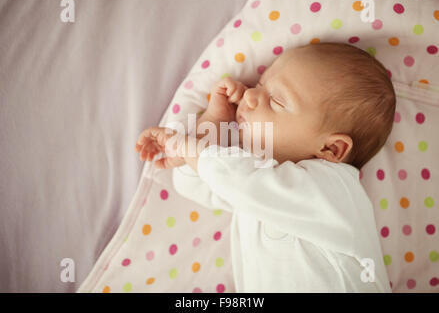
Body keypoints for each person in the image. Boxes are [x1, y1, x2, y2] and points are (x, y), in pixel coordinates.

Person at [134, 42, 396, 292]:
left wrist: (185, 146)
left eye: (277, 102)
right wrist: (214, 122)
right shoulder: (259, 179)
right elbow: (195, 183)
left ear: (331, 150)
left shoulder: (334, 190)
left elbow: (234, 178)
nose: (249, 95)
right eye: (260, 84)